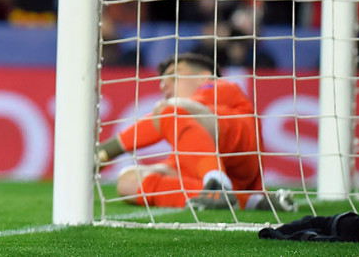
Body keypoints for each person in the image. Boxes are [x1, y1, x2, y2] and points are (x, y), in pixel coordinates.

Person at [97, 52, 295, 212]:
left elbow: (174, 111)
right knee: (127, 181)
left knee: (170, 110)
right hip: (200, 162)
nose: (163, 85)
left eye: (173, 76)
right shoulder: (182, 126)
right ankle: (248, 201)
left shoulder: (221, 86)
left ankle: (218, 183)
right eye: (162, 81)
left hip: (237, 151)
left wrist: (105, 151)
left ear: (203, 76)